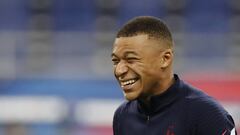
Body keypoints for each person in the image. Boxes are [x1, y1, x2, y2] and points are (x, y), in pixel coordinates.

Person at [111, 16, 237, 135]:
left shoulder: (206, 115)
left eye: (131, 59)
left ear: (165, 59)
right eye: (115, 61)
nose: (119, 70)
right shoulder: (123, 116)